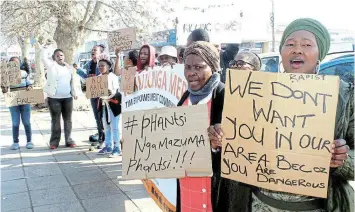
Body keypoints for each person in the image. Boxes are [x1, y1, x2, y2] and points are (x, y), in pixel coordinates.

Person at [210, 18, 354, 212]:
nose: (297, 50)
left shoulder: (344, 96)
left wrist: (342, 160)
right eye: (290, 44)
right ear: (282, 52)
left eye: (307, 44)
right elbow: (239, 142)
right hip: (257, 205)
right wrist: (219, 138)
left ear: (320, 52)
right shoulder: (255, 91)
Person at [176, 41, 224, 212]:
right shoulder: (184, 99)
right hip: (187, 183)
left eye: (198, 67)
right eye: (187, 67)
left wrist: (218, 144)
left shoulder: (225, 97)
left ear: (212, 67)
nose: (191, 73)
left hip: (213, 187)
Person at [41, 48, 78, 149]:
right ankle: (54, 142)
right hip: (54, 98)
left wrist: (74, 92)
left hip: (68, 98)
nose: (59, 57)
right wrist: (45, 47)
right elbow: (43, 58)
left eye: (61, 55)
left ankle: (69, 140)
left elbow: (72, 82)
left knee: (68, 120)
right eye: (57, 56)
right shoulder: (51, 66)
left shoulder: (68, 67)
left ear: (64, 56)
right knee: (55, 120)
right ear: (54, 57)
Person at [1, 57, 34, 150]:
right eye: (13, 63)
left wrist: (29, 88)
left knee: (26, 122)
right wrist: (4, 88)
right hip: (13, 101)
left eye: (17, 63)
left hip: (25, 100)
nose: (15, 65)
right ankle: (15, 142)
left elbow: (29, 84)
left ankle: (29, 141)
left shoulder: (24, 73)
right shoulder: (6, 75)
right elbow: (4, 90)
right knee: (15, 123)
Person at [76, 45, 105, 146]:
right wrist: (78, 70)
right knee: (97, 116)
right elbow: (85, 76)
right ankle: (100, 136)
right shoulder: (89, 64)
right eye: (92, 50)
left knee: (103, 116)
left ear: (101, 52)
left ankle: (106, 136)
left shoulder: (104, 63)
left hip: (103, 94)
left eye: (95, 50)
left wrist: (99, 63)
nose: (93, 52)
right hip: (93, 93)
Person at [95, 55, 122, 157]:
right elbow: (96, 92)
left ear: (109, 66)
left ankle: (117, 147)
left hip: (113, 103)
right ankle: (108, 145)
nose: (101, 67)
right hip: (103, 104)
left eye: (103, 65)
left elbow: (115, 91)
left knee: (115, 126)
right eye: (99, 66)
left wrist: (110, 92)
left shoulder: (113, 77)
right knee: (106, 126)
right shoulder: (98, 78)